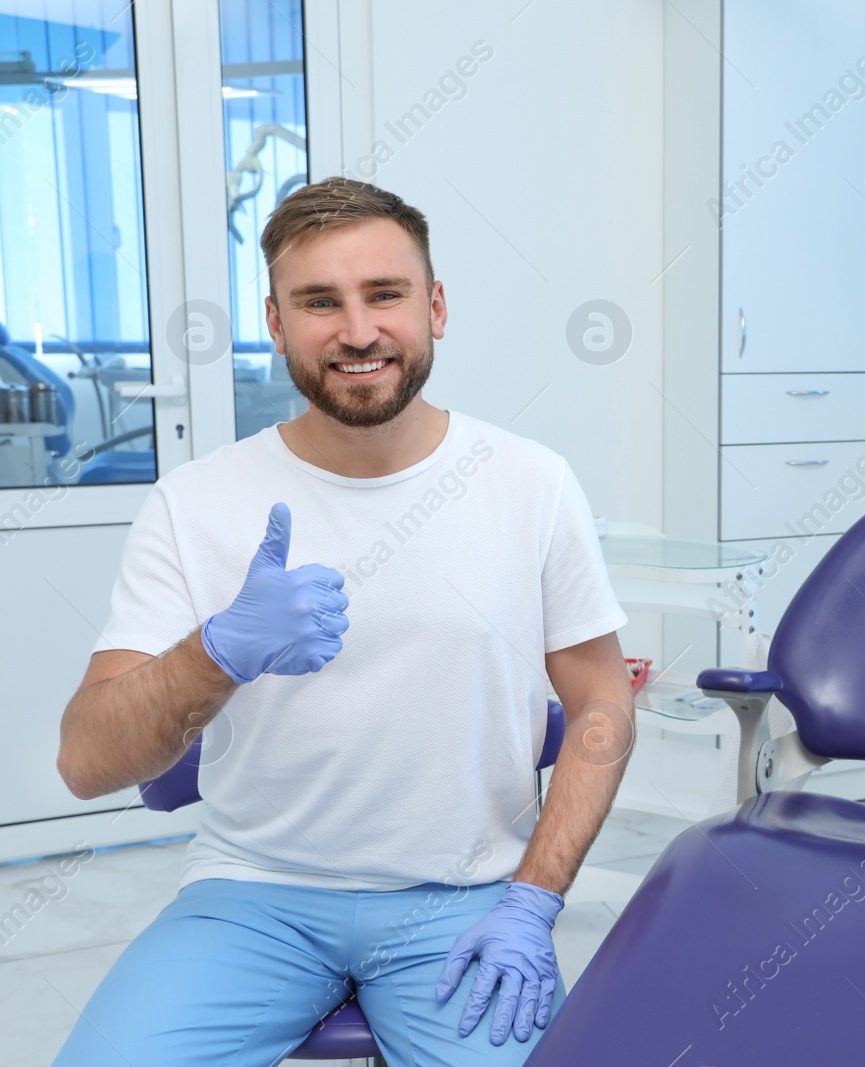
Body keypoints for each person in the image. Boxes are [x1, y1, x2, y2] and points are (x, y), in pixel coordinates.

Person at [54, 178, 633, 1065]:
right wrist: (218, 653)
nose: (358, 331)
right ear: (276, 324)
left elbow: (601, 703)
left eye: (385, 295)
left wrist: (535, 897)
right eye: (320, 302)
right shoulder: (196, 502)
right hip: (251, 893)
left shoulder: (531, 482)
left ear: (435, 307)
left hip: (467, 896)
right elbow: (87, 762)